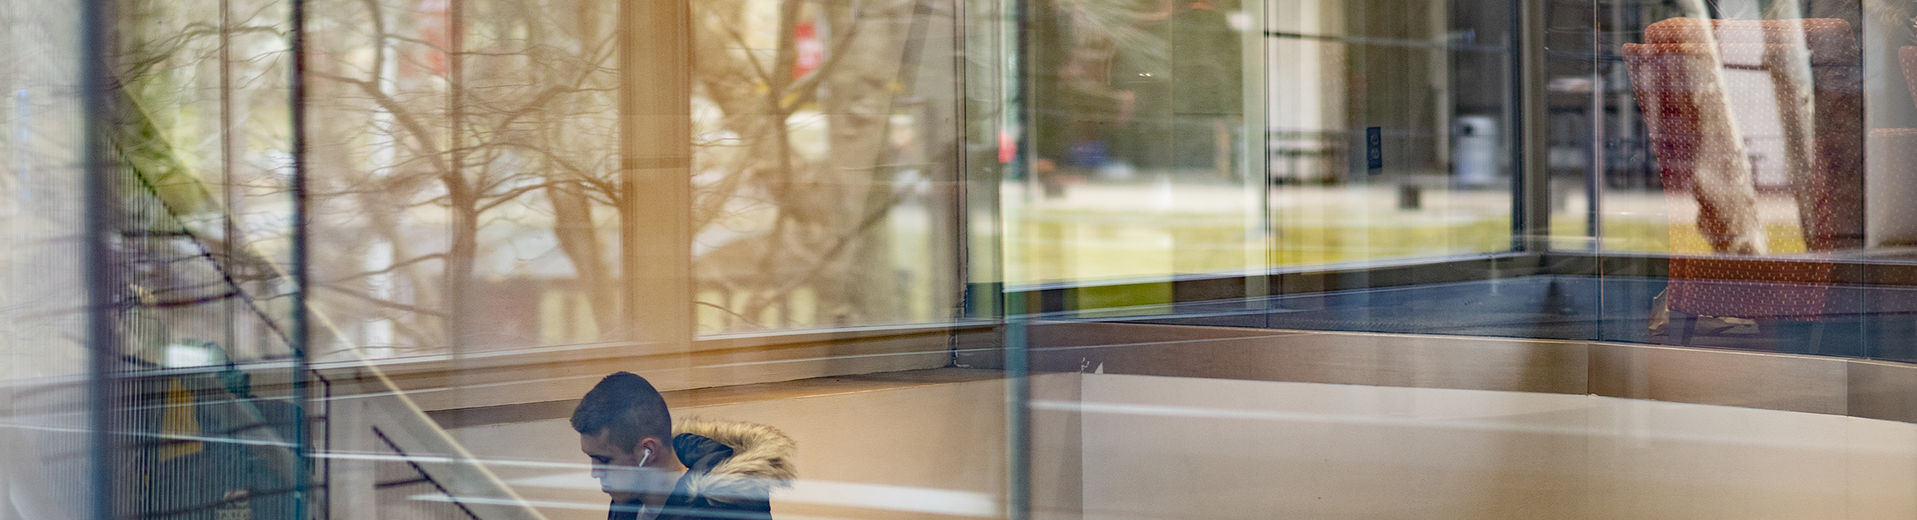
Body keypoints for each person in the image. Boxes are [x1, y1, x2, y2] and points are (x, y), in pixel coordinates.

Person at [572, 372, 796, 520]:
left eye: (604, 460)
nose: (595, 472)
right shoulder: (627, 502)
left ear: (647, 451)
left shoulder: (721, 511)